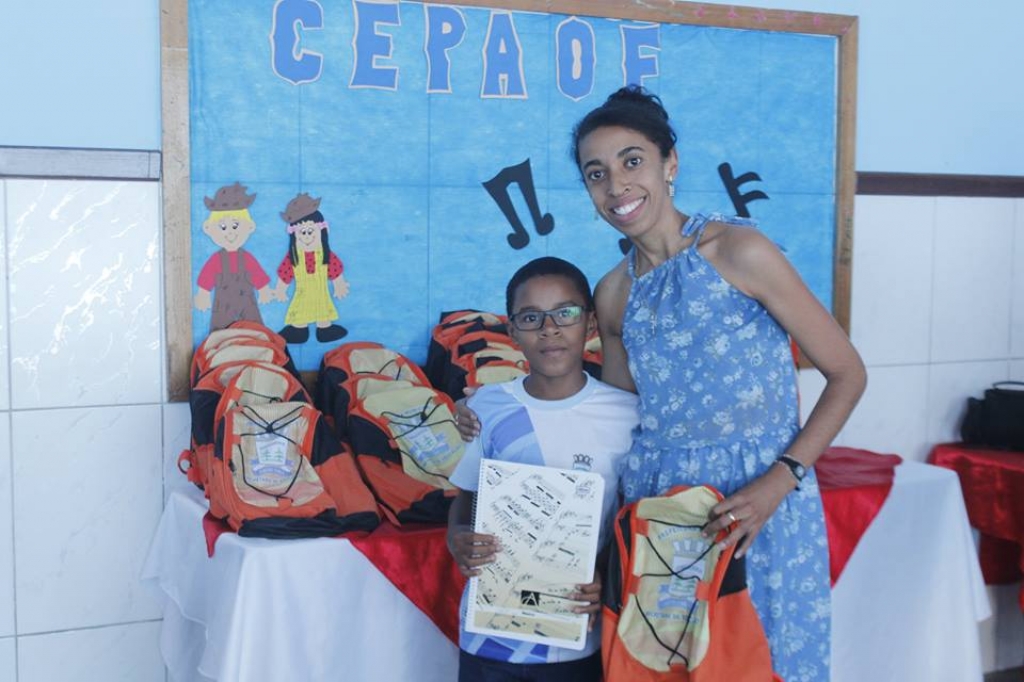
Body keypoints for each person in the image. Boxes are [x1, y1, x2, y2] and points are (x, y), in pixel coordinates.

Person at [457, 86, 867, 682]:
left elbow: (847, 373)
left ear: (669, 163)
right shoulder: (613, 292)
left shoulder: (739, 252)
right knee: (662, 667)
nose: (616, 186)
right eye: (596, 173)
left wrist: (781, 479)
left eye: (632, 161)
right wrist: (492, 408)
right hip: (657, 510)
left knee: (763, 662)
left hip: (758, 498)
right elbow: (614, 414)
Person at [447, 256, 639, 682]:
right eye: (531, 317)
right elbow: (466, 500)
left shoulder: (626, 415)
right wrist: (457, 538)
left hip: (574, 640)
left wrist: (608, 576)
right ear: (512, 331)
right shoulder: (488, 407)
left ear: (590, 323)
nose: (549, 329)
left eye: (565, 313)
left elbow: (633, 519)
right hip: (488, 638)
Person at [193, 182, 277, 331]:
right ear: (208, 228)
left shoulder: (247, 258)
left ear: (250, 226)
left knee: (254, 326)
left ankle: (256, 341)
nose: (230, 232)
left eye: (235, 225)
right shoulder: (216, 259)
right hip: (223, 303)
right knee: (220, 328)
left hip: (247, 301)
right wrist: (203, 294)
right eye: (223, 227)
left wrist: (264, 290)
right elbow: (207, 276)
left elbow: (256, 273)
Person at [273, 193, 350, 344]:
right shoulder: (294, 257)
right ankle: (299, 330)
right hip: (302, 293)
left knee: (323, 311)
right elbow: (285, 274)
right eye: (302, 232)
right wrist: (280, 290)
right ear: (294, 235)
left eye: (311, 231)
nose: (307, 236)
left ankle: (324, 329)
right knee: (300, 312)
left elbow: (335, 271)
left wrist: (339, 286)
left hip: (321, 292)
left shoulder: (326, 255)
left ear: (322, 232)